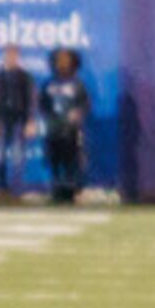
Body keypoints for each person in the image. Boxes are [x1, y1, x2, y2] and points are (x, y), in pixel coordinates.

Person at [40, 48, 91, 202]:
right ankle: (56, 190)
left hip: (70, 130)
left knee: (71, 161)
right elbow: (43, 104)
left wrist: (78, 112)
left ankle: (70, 191)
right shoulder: (49, 83)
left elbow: (85, 104)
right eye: (60, 60)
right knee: (54, 161)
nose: (63, 63)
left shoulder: (77, 84)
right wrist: (48, 116)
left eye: (66, 60)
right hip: (53, 129)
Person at [0, 44, 36, 197]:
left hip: (19, 119)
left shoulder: (25, 77)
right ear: (4, 56)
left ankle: (17, 190)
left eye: (14, 55)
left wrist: (30, 122)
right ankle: (2, 188)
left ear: (18, 57)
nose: (11, 58)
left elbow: (31, 101)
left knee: (18, 156)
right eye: (8, 54)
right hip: (0, 119)